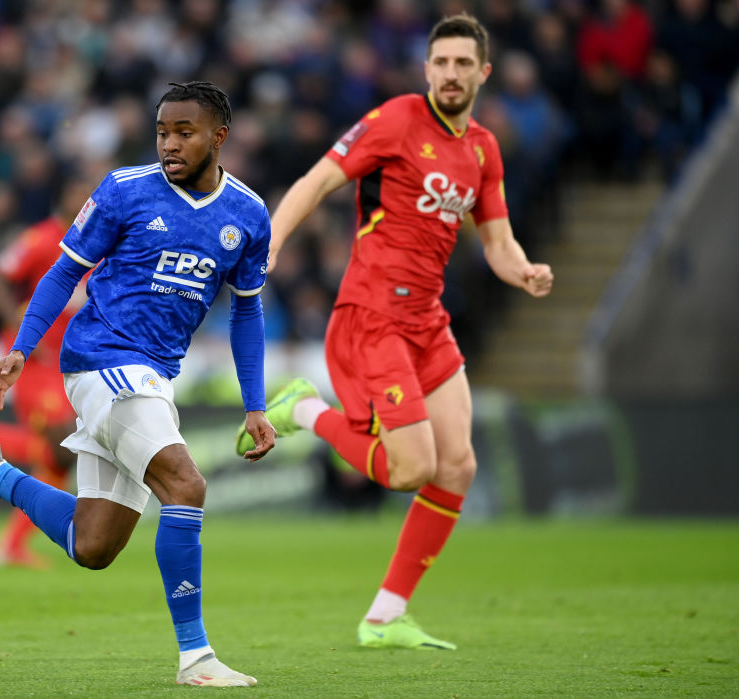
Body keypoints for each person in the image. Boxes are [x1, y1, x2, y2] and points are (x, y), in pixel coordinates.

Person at [0, 81, 277, 687]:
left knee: (92, 545)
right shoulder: (123, 190)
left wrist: (255, 405)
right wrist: (20, 350)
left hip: (155, 375)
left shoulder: (247, 215)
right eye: (162, 132)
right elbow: (64, 271)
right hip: (102, 361)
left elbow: (246, 312)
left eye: (185, 132)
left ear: (219, 136)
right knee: (186, 484)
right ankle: (196, 658)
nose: (170, 143)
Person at [236, 14, 553, 650]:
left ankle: (384, 615)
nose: (451, 74)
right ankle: (307, 410)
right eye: (441, 63)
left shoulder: (484, 149)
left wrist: (522, 270)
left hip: (428, 323)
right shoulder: (397, 119)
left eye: (464, 64)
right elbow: (319, 179)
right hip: (373, 315)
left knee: (456, 466)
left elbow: (495, 240)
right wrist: (270, 241)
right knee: (412, 469)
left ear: (483, 73)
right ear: (427, 68)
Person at [0, 197, 90, 568]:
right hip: (32, 356)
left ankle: (10, 546)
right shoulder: (40, 239)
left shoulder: (96, 242)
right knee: (62, 446)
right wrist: (25, 333)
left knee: (60, 459)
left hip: (62, 359)